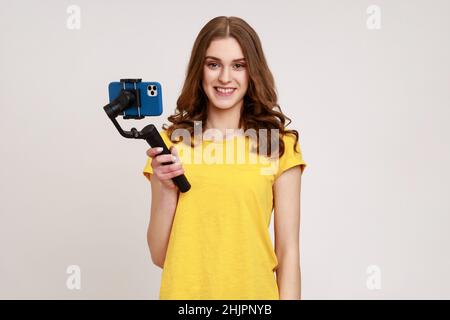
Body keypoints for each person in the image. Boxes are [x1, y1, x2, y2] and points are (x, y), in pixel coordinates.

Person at [142, 16, 307, 300]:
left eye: (238, 66)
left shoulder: (278, 146)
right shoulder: (172, 143)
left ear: (252, 72)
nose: (225, 78)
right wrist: (168, 188)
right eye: (213, 64)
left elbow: (288, 253)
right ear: (200, 69)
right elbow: (159, 255)